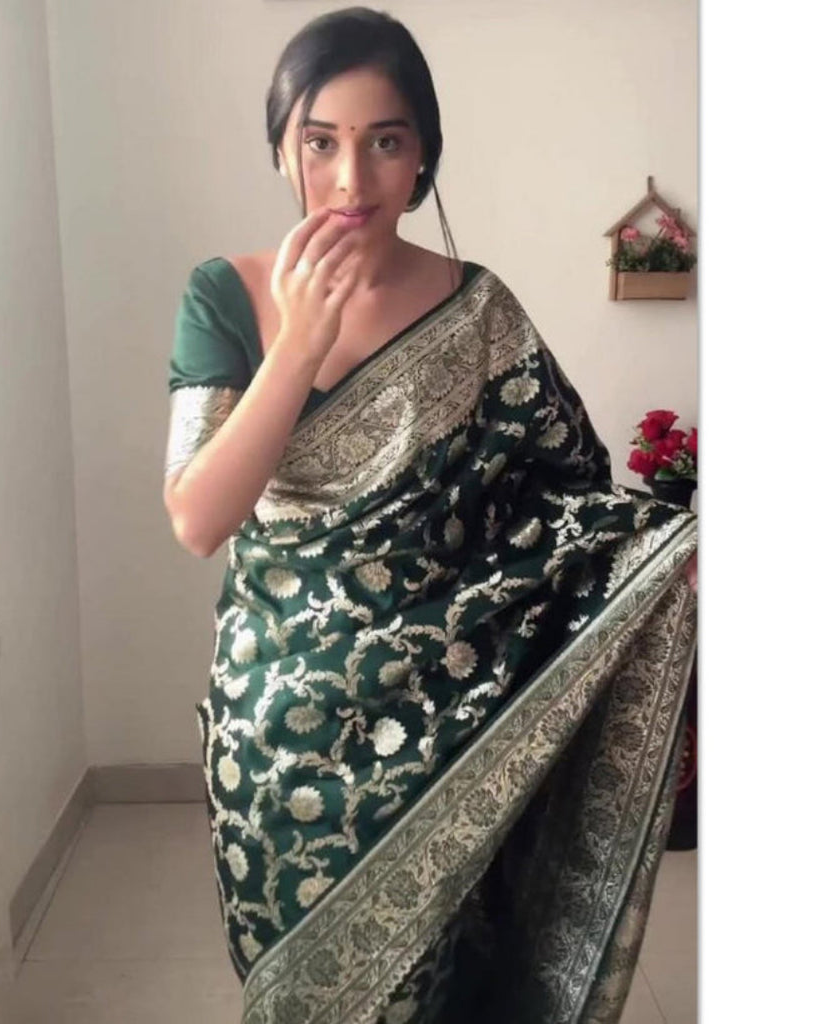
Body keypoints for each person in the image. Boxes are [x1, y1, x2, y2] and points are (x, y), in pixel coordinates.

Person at [163, 8, 697, 1023]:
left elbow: (569, 493)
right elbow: (197, 516)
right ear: (280, 149)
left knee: (441, 986)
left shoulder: (478, 310)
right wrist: (298, 341)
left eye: (385, 142)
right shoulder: (225, 296)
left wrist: (670, 553)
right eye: (320, 142)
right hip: (277, 736)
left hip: (452, 721)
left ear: (423, 160)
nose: (351, 180)